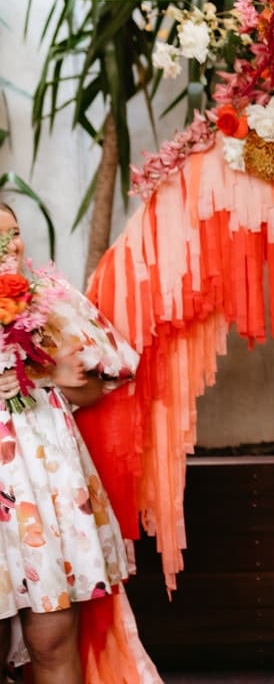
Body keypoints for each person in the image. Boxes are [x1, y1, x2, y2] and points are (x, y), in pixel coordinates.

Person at [0, 202, 141, 683]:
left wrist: (49, 373)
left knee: (53, 636)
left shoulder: (51, 297)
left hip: (44, 482)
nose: (10, 246)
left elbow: (99, 385)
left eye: (14, 233)